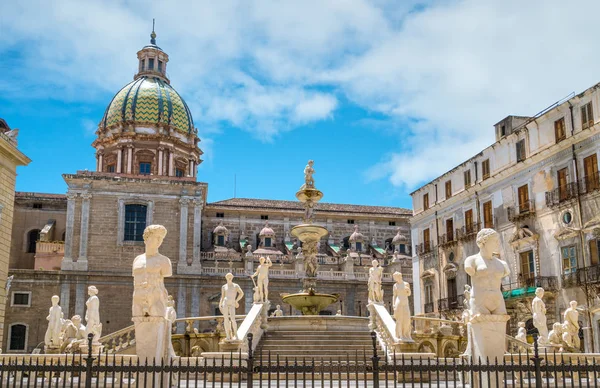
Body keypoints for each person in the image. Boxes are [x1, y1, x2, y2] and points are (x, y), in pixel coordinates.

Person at [464, 229, 510, 316]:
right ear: (483, 242)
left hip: (498, 300)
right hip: (479, 300)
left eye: (497, 241)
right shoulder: (471, 261)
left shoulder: (502, 264)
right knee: (482, 326)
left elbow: (506, 273)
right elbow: (469, 269)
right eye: (494, 241)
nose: (497, 243)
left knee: (501, 327)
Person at [132, 225, 172, 318]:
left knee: (157, 327)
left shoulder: (164, 261)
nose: (159, 241)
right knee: (139, 328)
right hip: (138, 298)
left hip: (156, 297)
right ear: (147, 238)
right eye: (156, 237)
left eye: (161, 238)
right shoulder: (137, 260)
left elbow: (166, 273)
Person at [219, 273, 244, 341]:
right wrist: (220, 305)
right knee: (226, 320)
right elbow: (222, 297)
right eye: (228, 277)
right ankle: (228, 336)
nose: (229, 278)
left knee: (233, 319)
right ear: (226, 278)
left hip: (232, 303)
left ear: (232, 277)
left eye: (230, 277)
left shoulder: (236, 286)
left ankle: (236, 335)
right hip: (225, 303)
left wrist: (236, 300)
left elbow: (241, 293)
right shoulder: (224, 287)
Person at [392, 272, 412, 341]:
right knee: (399, 320)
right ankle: (400, 335)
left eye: (395, 277)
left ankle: (406, 334)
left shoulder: (406, 284)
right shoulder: (395, 285)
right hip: (398, 302)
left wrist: (408, 290)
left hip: (405, 302)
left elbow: (409, 294)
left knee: (407, 319)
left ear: (399, 276)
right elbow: (394, 296)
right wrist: (393, 305)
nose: (394, 279)